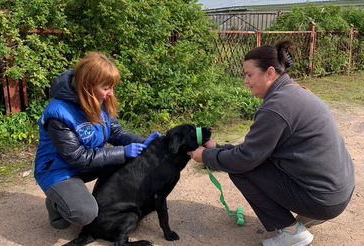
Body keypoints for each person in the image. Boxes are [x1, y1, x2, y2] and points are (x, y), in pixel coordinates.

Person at [188, 40, 355, 246]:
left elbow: (244, 161)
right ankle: (309, 215)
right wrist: (218, 149)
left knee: (240, 170)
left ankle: (292, 232)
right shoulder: (295, 91)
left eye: (249, 75)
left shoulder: (276, 107)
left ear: (269, 73)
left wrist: (204, 156)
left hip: (323, 200)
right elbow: (255, 151)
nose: (245, 81)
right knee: (247, 162)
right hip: (337, 193)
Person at [34, 52, 161, 229]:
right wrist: (123, 152)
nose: (111, 93)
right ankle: (56, 203)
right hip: (58, 170)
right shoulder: (58, 114)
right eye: (106, 87)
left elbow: (115, 133)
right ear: (87, 86)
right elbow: (77, 157)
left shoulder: (99, 100)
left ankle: (100, 200)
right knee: (85, 213)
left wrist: (148, 143)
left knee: (134, 161)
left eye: (112, 87)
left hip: (86, 163)